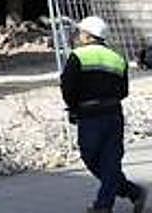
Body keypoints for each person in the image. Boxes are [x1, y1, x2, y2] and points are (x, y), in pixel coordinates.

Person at [61, 15, 147, 213]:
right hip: (113, 114)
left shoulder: (78, 56)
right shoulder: (118, 57)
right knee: (111, 162)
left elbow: (68, 86)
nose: (79, 35)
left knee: (90, 157)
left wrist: (73, 107)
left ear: (89, 36)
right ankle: (133, 192)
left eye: (82, 32)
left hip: (89, 115)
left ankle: (103, 206)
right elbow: (123, 91)